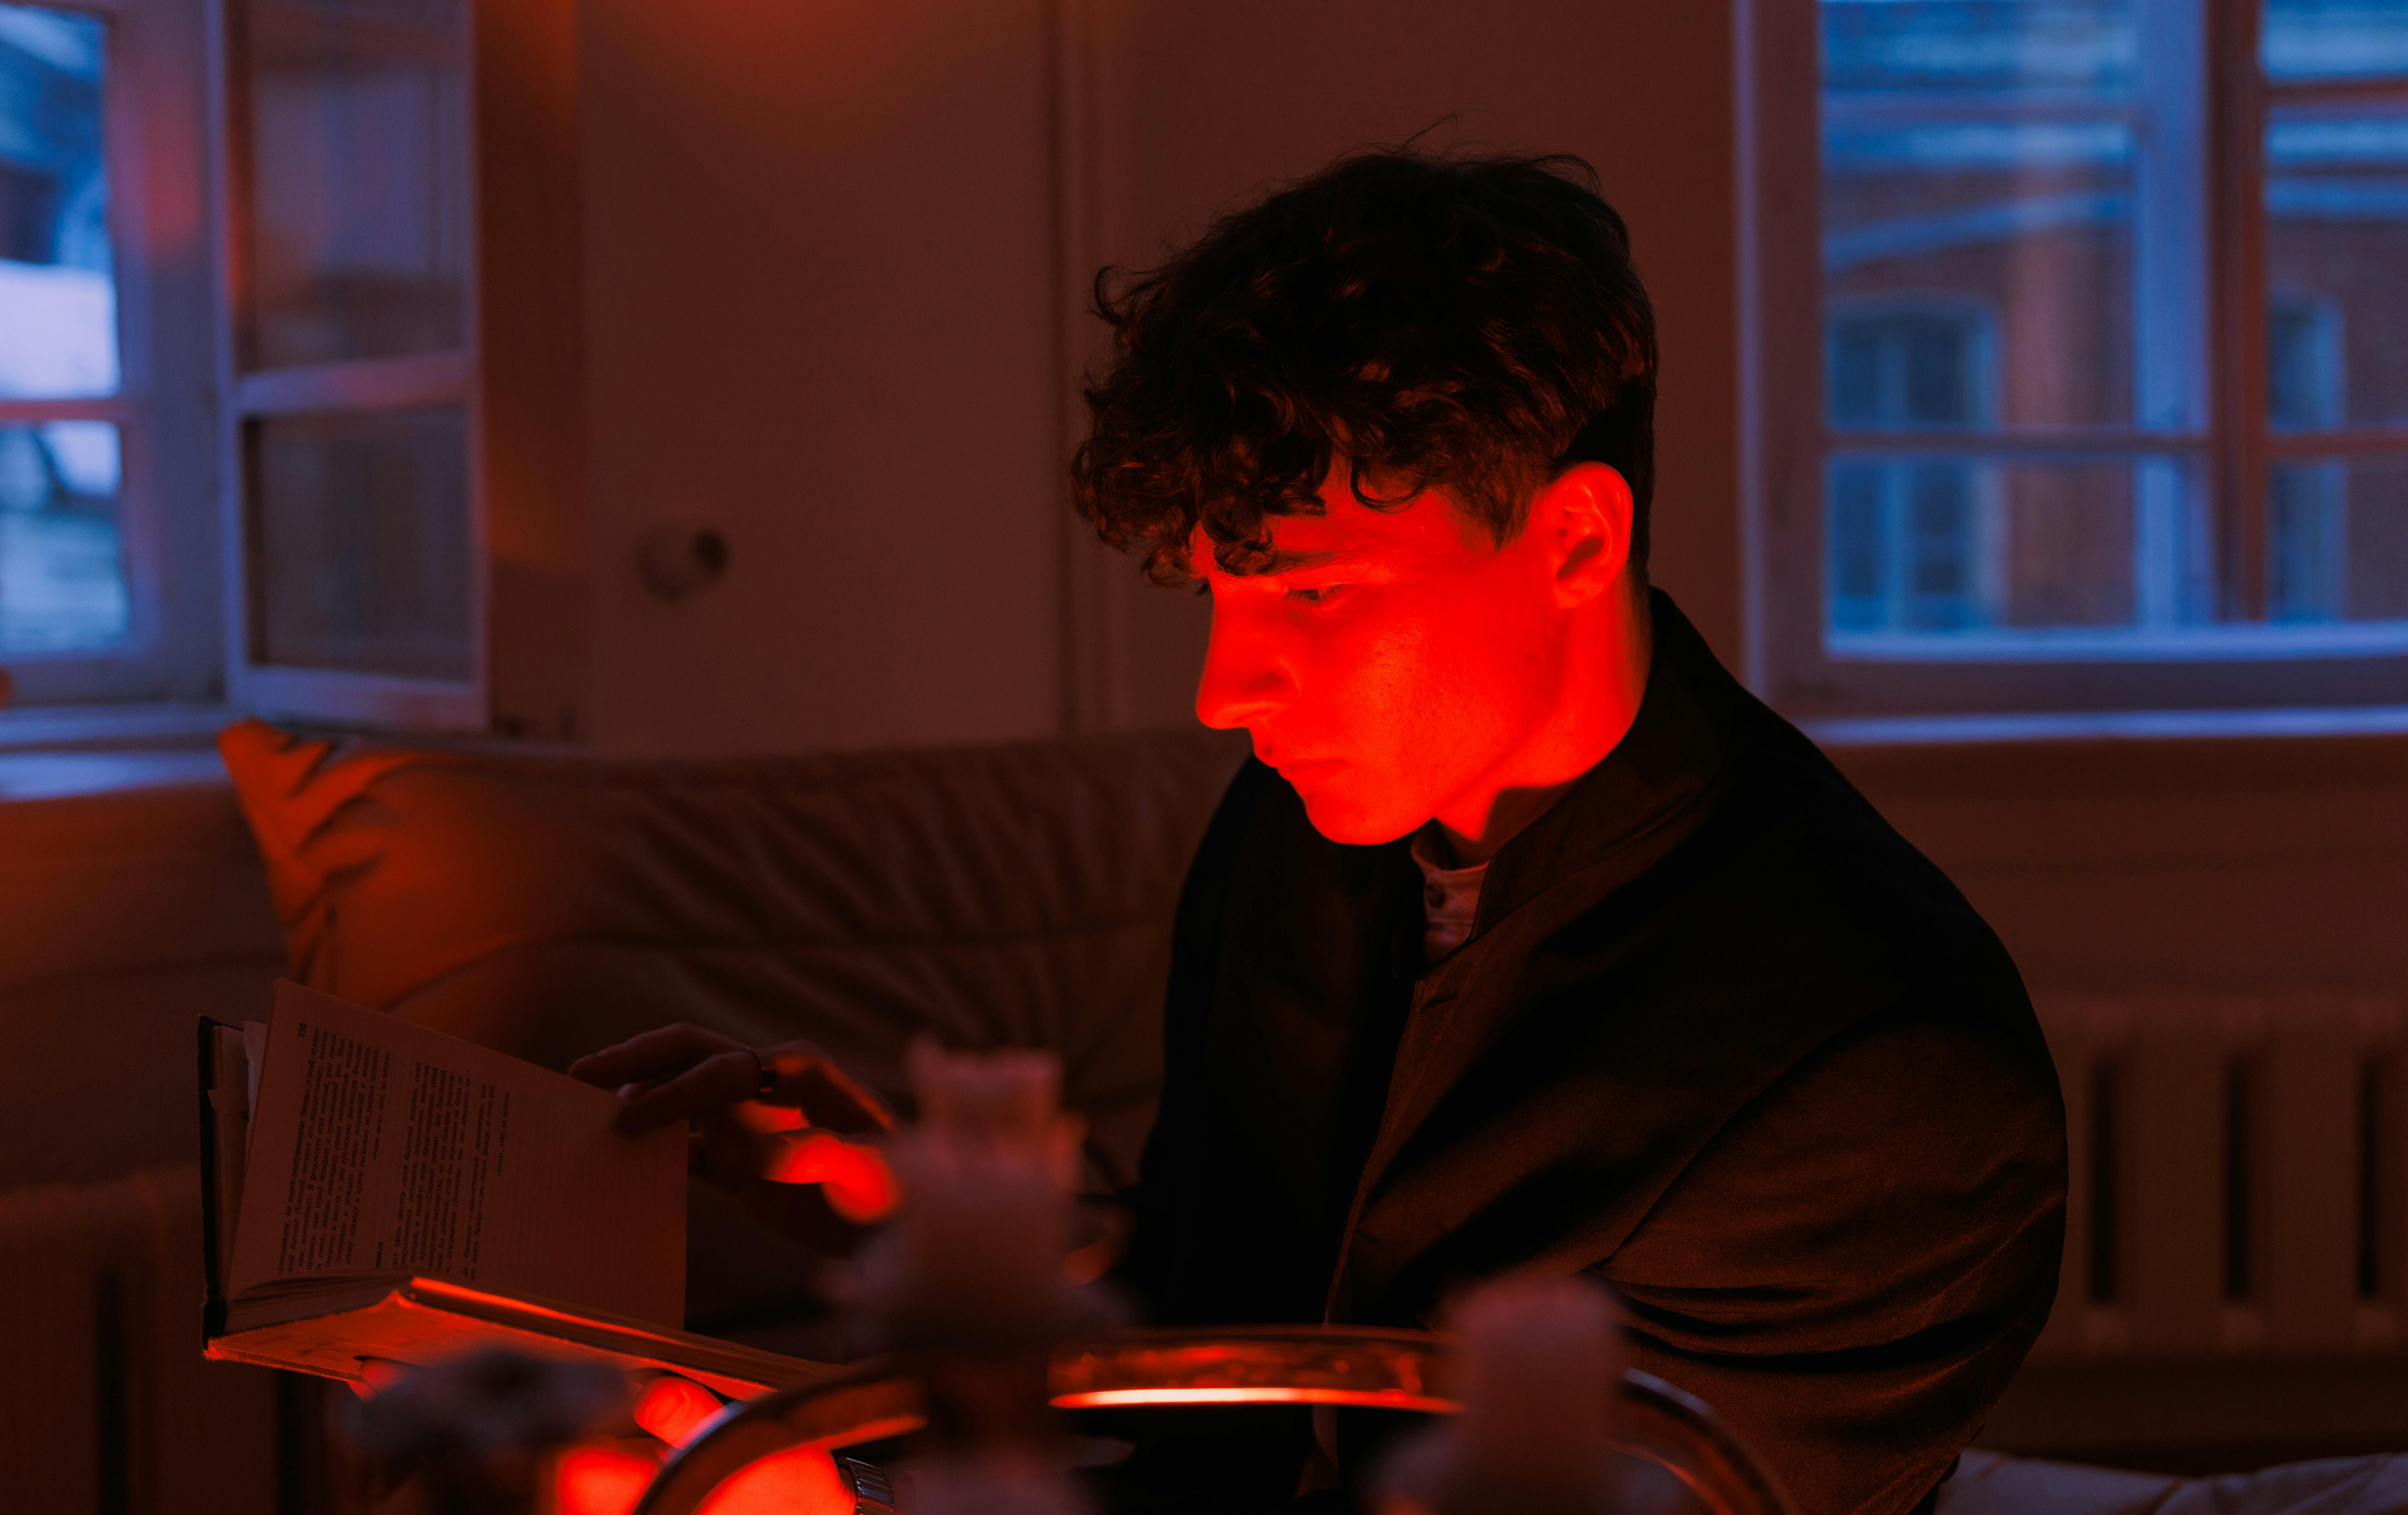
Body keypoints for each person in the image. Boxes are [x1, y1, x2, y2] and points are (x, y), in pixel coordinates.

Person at [576, 148, 2068, 1515]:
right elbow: (1241, 1307)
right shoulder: (1313, 828)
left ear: (1575, 541)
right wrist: (924, 1215)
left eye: (1309, 592)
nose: (1229, 693)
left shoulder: (1887, 1082)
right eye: (1216, 593)